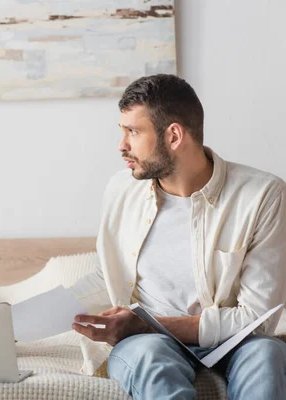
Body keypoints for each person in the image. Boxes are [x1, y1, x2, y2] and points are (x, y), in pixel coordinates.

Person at [71, 74, 286, 399]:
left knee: (267, 354)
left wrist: (147, 323)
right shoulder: (121, 188)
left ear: (173, 135)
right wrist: (21, 316)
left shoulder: (261, 195)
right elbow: (109, 275)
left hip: (234, 343)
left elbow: (257, 319)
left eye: (133, 131)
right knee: (150, 358)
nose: (121, 145)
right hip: (146, 344)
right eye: (122, 130)